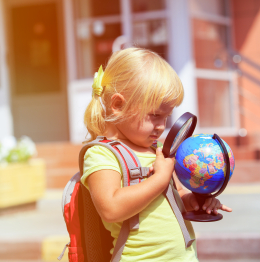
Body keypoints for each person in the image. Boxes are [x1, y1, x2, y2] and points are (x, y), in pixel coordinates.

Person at [81, 47, 232, 261]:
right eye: (154, 115)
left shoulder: (158, 151)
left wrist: (197, 201)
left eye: (167, 116)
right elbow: (111, 208)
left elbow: (177, 198)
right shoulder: (101, 154)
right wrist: (160, 179)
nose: (162, 126)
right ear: (117, 105)